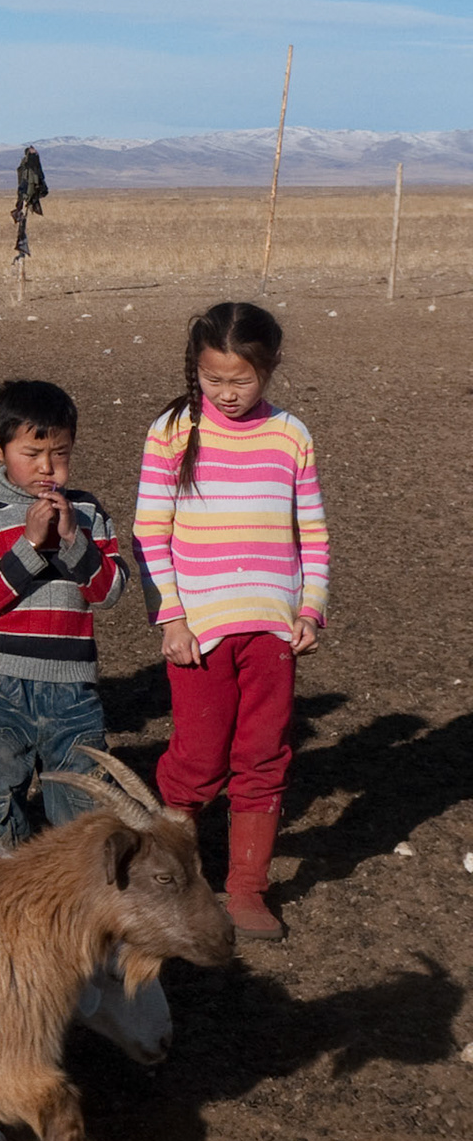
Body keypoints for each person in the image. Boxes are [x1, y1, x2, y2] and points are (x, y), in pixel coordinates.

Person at [133, 302, 328, 941]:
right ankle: (171, 881)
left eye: (240, 380)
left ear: (269, 368)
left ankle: (247, 889)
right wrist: (171, 619)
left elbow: (312, 532)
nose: (226, 393)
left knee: (263, 757)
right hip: (200, 635)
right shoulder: (171, 431)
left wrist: (310, 608)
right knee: (196, 761)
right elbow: (149, 532)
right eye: (212, 379)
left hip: (272, 632)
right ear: (195, 368)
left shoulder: (290, 435)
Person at [0, 379, 127, 844]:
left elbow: (109, 591)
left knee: (83, 815)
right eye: (32, 453)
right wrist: (28, 545)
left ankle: (73, 891)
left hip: (72, 690)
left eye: (60, 454)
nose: (47, 467)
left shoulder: (87, 512)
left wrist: (72, 540)